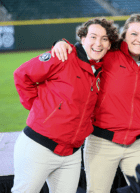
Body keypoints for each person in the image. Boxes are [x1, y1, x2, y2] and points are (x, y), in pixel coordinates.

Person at [51, 14, 140, 193]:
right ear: (124, 36)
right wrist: (60, 43)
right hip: (102, 142)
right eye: (134, 34)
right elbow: (86, 48)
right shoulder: (108, 54)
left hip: (137, 143)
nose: (139, 39)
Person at [12, 18, 118, 192]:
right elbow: (22, 75)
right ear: (83, 39)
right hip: (38, 147)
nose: (98, 43)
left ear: (109, 44)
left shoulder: (102, 70)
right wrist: (37, 107)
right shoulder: (64, 55)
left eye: (104, 39)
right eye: (93, 37)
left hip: (71, 154)